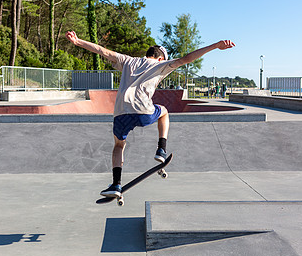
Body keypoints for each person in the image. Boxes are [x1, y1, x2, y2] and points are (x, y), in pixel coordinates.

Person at [65, 31, 235, 197]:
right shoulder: (161, 65)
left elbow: (103, 51)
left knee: (118, 146)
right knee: (164, 112)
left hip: (120, 113)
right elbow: (186, 59)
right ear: (161, 58)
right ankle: (161, 149)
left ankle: (116, 184)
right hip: (143, 111)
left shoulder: (128, 60)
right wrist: (215, 46)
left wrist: (77, 41)